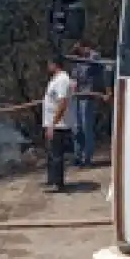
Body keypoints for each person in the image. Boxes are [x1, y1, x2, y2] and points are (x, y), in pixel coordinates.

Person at [70, 40, 107, 167]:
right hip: (77, 96)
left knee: (87, 127)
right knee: (76, 127)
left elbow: (95, 63)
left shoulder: (94, 57)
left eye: (79, 48)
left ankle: (87, 158)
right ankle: (77, 156)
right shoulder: (76, 60)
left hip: (88, 96)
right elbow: (74, 76)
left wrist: (85, 52)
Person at [42, 53, 75, 193]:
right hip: (52, 122)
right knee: (51, 154)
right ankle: (52, 179)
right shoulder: (55, 79)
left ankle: (58, 183)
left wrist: (53, 124)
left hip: (58, 124)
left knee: (57, 155)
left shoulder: (62, 80)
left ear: (55, 65)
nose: (48, 67)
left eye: (49, 64)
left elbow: (63, 103)